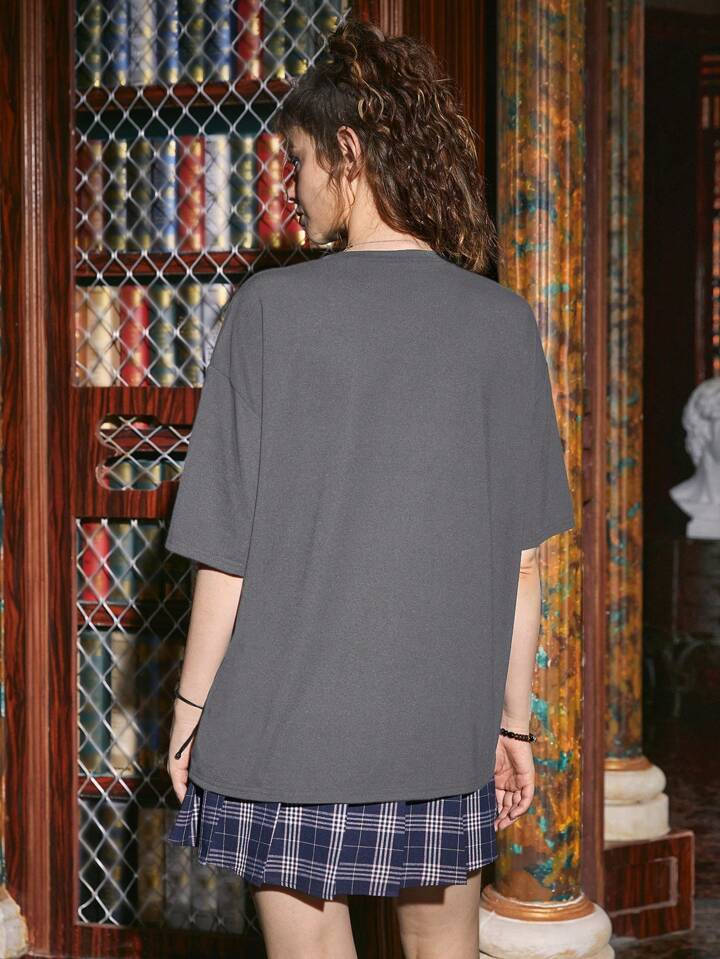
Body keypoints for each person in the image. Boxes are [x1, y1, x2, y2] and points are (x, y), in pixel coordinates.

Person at [164, 14, 574, 959]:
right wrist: (511, 725)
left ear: (348, 153)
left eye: (301, 160)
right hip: (439, 734)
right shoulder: (501, 323)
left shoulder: (267, 311)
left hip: (282, 736)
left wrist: (188, 717)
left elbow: (227, 557)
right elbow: (522, 564)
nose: (293, 184)